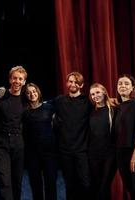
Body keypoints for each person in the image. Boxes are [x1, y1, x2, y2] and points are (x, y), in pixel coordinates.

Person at [52, 72, 92, 200]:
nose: (73, 84)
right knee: (70, 185)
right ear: (66, 83)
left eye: (76, 82)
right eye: (70, 81)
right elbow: (40, 104)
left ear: (81, 85)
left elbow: (106, 101)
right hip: (65, 151)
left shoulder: (88, 101)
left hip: (82, 151)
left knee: (85, 184)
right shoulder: (59, 101)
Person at [0, 65, 27, 200]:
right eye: (14, 78)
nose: (17, 81)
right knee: (4, 179)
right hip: (1, 142)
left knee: (17, 180)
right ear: (9, 79)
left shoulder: (25, 99)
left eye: (20, 79)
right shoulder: (0, 95)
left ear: (24, 81)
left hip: (18, 142)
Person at [23, 83, 58, 200]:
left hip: (50, 152)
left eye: (34, 91)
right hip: (32, 153)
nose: (32, 94)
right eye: (28, 92)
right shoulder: (25, 112)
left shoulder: (49, 107)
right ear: (26, 95)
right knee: (35, 184)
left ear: (38, 92)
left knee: (51, 183)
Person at [88, 83, 117, 200]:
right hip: (93, 155)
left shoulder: (114, 111)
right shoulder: (90, 112)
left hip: (110, 155)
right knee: (97, 187)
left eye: (98, 92)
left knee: (104, 186)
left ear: (104, 92)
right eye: (93, 94)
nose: (95, 96)